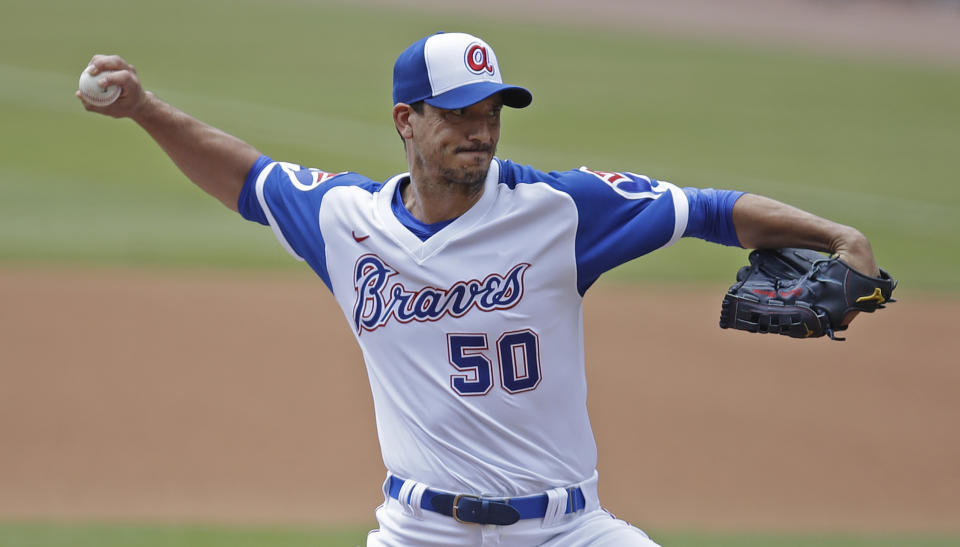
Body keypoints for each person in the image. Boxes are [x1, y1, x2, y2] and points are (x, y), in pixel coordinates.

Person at [78, 31, 879, 546]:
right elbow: (245, 177)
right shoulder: (346, 220)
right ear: (407, 119)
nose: (481, 129)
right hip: (419, 530)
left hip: (569, 530)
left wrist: (840, 239)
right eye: (459, 111)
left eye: (492, 108)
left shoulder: (562, 209)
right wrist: (145, 108)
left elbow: (709, 210)